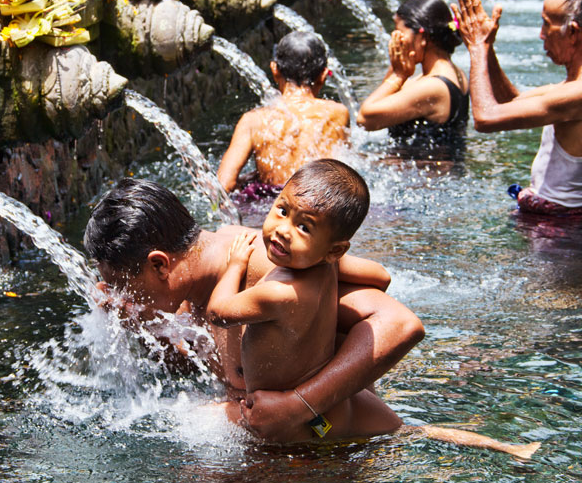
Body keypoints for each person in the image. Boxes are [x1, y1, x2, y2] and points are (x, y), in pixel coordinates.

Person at [84, 177, 539, 457]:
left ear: (161, 264)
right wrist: (135, 322)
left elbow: (400, 324)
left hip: (328, 434)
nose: (120, 295)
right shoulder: (199, 280)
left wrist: (299, 405)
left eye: (120, 281)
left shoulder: (269, 267)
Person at [206, 159, 540, 458]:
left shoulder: (278, 293)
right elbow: (381, 275)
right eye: (282, 210)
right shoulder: (329, 265)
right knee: (409, 432)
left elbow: (217, 312)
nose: (283, 230)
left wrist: (235, 265)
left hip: (304, 419)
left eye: (304, 227)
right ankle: (510, 448)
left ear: (335, 249)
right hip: (338, 401)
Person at [452, 0, 582, 216]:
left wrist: (477, 48)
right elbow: (510, 102)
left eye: (547, 24)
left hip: (559, 233)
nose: (541, 34)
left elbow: (485, 118)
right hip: (569, 223)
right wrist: (488, 48)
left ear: (573, 32)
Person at [217, 31, 350, 199]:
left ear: (274, 69)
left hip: (272, 206)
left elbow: (223, 185)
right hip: (319, 202)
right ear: (323, 75)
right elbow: (343, 172)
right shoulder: (337, 112)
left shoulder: (253, 120)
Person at [357, 0, 469, 158]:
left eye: (399, 32)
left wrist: (397, 75)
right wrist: (398, 69)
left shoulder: (433, 87)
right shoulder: (454, 74)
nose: (396, 39)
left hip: (422, 182)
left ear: (422, 37)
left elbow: (365, 119)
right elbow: (386, 101)